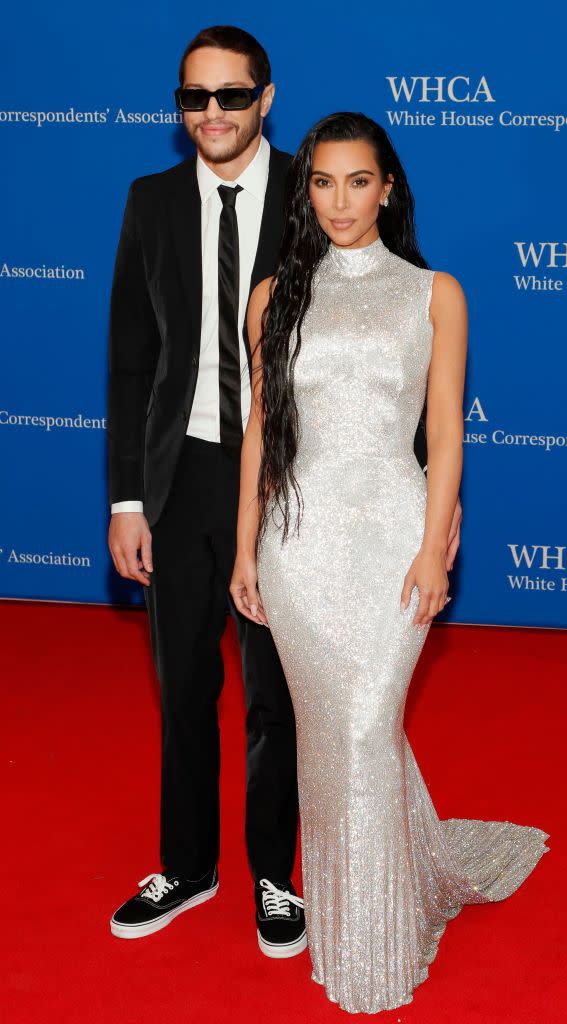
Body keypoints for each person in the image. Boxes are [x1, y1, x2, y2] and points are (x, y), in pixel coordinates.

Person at [230, 112, 550, 1013]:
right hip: (297, 544)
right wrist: (247, 543)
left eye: (358, 181)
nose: (340, 201)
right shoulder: (270, 298)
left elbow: (443, 433)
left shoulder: (433, 293)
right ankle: (358, 911)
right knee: (332, 734)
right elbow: (262, 429)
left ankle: (377, 929)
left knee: (368, 726)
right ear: (306, 193)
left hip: (392, 539)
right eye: (322, 183)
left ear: (389, 187)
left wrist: (434, 543)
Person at [106, 25, 306, 954]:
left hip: (283, 482)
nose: (213, 114)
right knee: (181, 684)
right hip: (181, 476)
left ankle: (275, 873)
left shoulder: (319, 191)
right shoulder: (149, 202)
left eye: (232, 95)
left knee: (274, 691)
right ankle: (186, 865)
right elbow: (129, 362)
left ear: (266, 98)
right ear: (179, 106)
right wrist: (125, 501)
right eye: (196, 98)